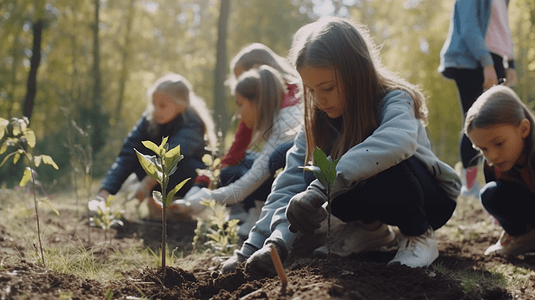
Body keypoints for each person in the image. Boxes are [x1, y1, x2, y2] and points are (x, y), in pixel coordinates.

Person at [220, 17, 461, 275]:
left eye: (327, 87)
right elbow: (289, 182)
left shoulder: (394, 99)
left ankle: (418, 236)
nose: (319, 99)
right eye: (311, 90)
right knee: (310, 171)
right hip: (378, 198)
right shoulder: (318, 119)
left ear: (357, 73)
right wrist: (265, 244)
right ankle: (370, 230)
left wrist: (320, 188)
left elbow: (398, 140)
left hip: (430, 201)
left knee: (375, 167)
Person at [182, 43, 302, 238]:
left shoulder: (286, 114)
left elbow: (253, 178)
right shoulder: (261, 108)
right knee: (249, 160)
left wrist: (207, 197)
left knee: (270, 161)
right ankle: (256, 211)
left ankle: (266, 217)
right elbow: (235, 154)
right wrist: (201, 183)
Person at [94, 73, 217, 220]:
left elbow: (170, 158)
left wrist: (146, 185)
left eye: (163, 105)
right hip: (158, 182)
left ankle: (177, 205)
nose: (156, 110)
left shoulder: (193, 123)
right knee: (137, 153)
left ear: (181, 105)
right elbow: (127, 155)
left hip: (188, 181)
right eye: (154, 104)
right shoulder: (149, 119)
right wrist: (105, 192)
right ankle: (157, 204)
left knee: (182, 163)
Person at [438, 0, 517, 198]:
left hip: (495, 58)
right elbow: (468, 26)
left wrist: (511, 61)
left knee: (498, 124)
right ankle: (470, 187)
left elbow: (502, 27)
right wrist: (486, 63)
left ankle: (499, 186)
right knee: (473, 122)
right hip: (472, 60)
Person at [463, 85, 535, 257]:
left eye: (499, 143)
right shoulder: (493, 165)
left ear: (524, 129)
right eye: (483, 149)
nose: (492, 156)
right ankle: (522, 237)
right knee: (491, 194)